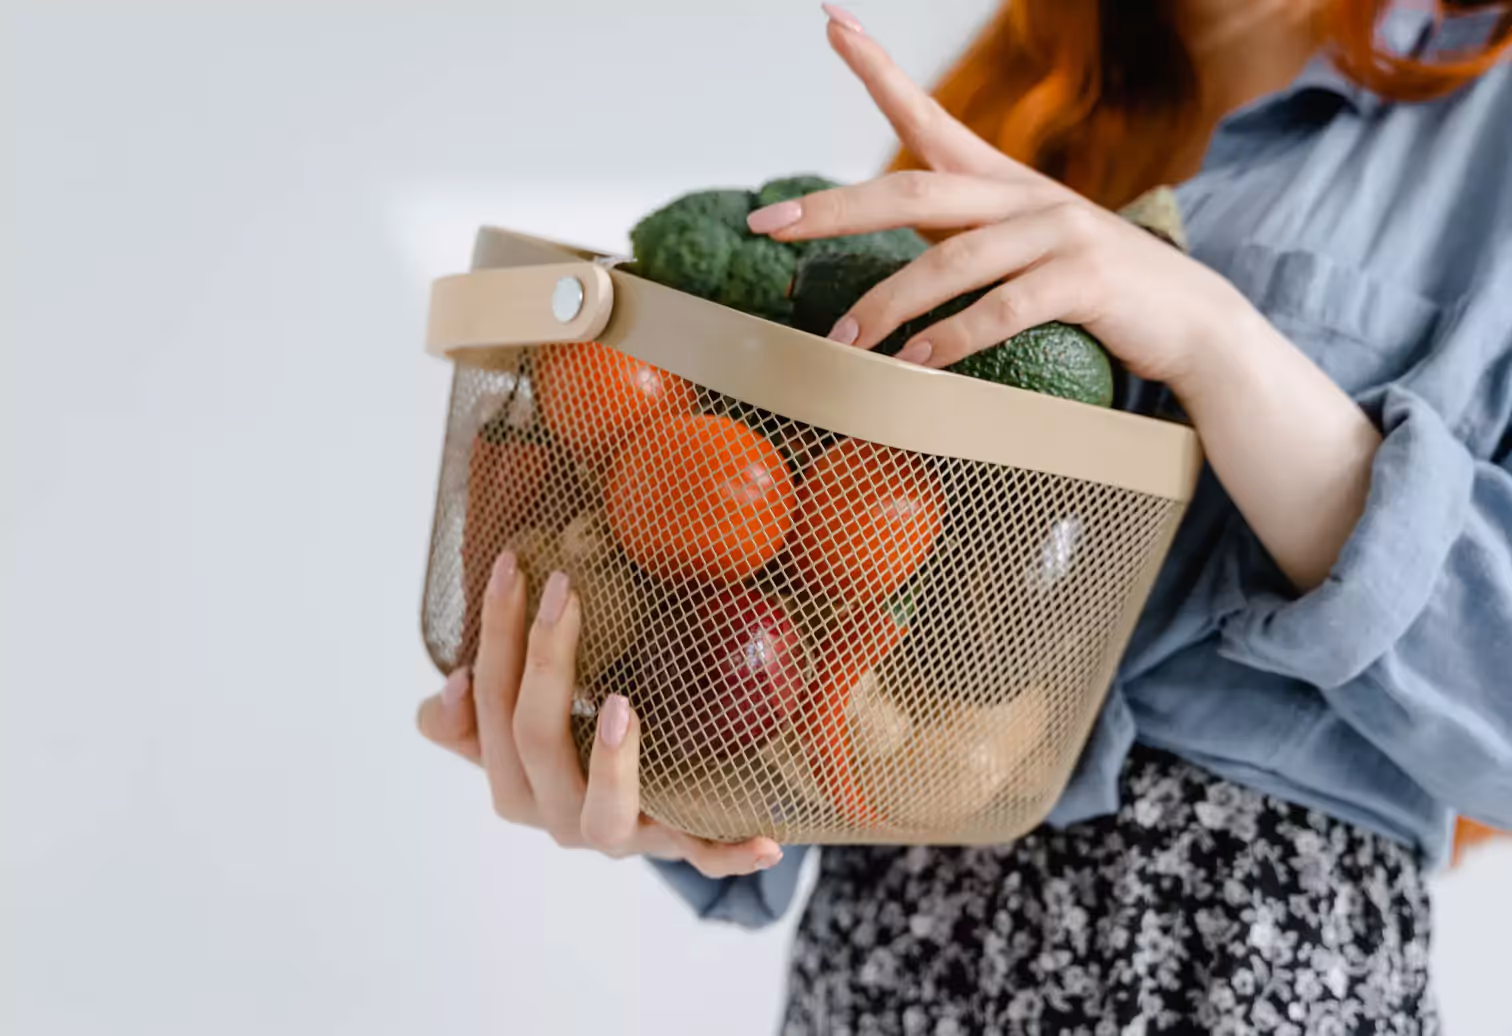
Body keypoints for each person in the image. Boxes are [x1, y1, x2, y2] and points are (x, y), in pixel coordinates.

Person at [417, 1, 1512, 1030]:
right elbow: (824, 591)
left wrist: (1212, 335)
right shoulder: (1009, 113)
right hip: (886, 946)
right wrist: (660, 776)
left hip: (1237, 951)